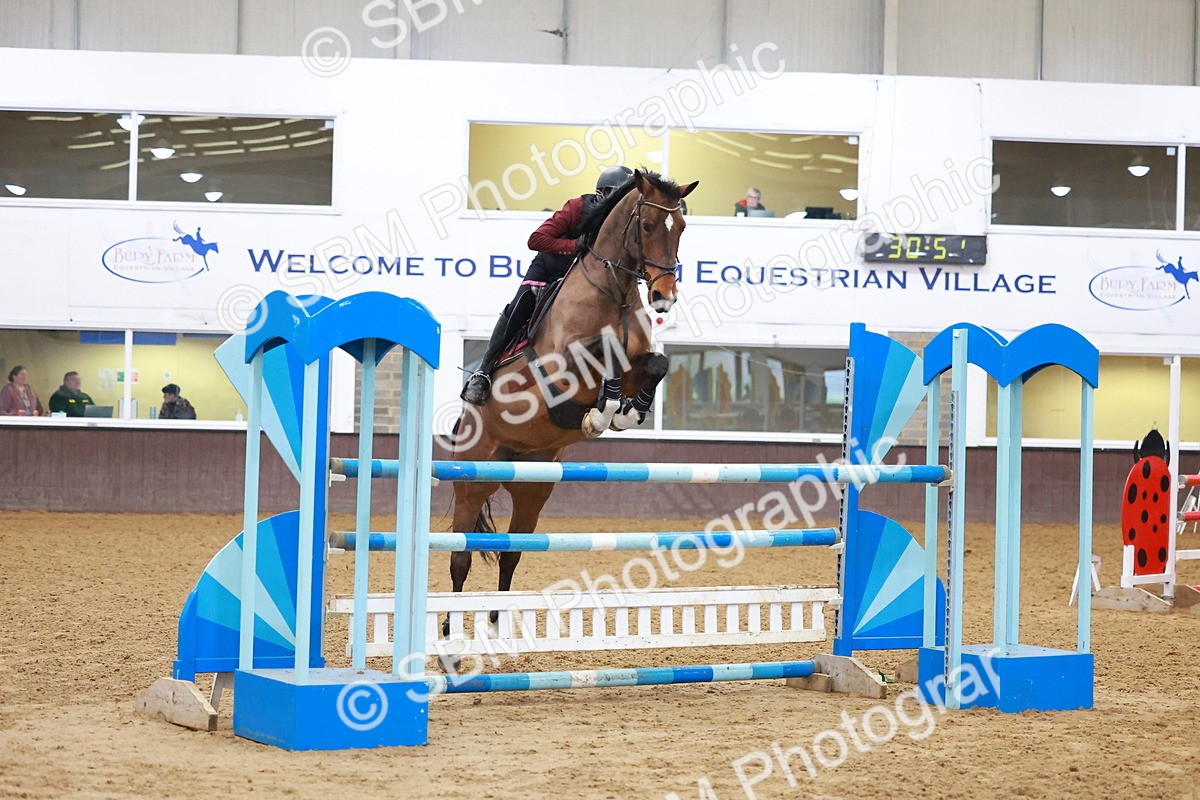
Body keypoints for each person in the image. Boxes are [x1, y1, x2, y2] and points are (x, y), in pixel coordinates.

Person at [460, 165, 634, 405]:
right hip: (550, 270)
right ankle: (483, 372)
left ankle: (614, 388)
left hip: (584, 280)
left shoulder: (624, 223)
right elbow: (536, 239)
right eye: (621, 195)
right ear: (604, 193)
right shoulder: (577, 207)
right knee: (519, 307)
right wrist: (574, 246)